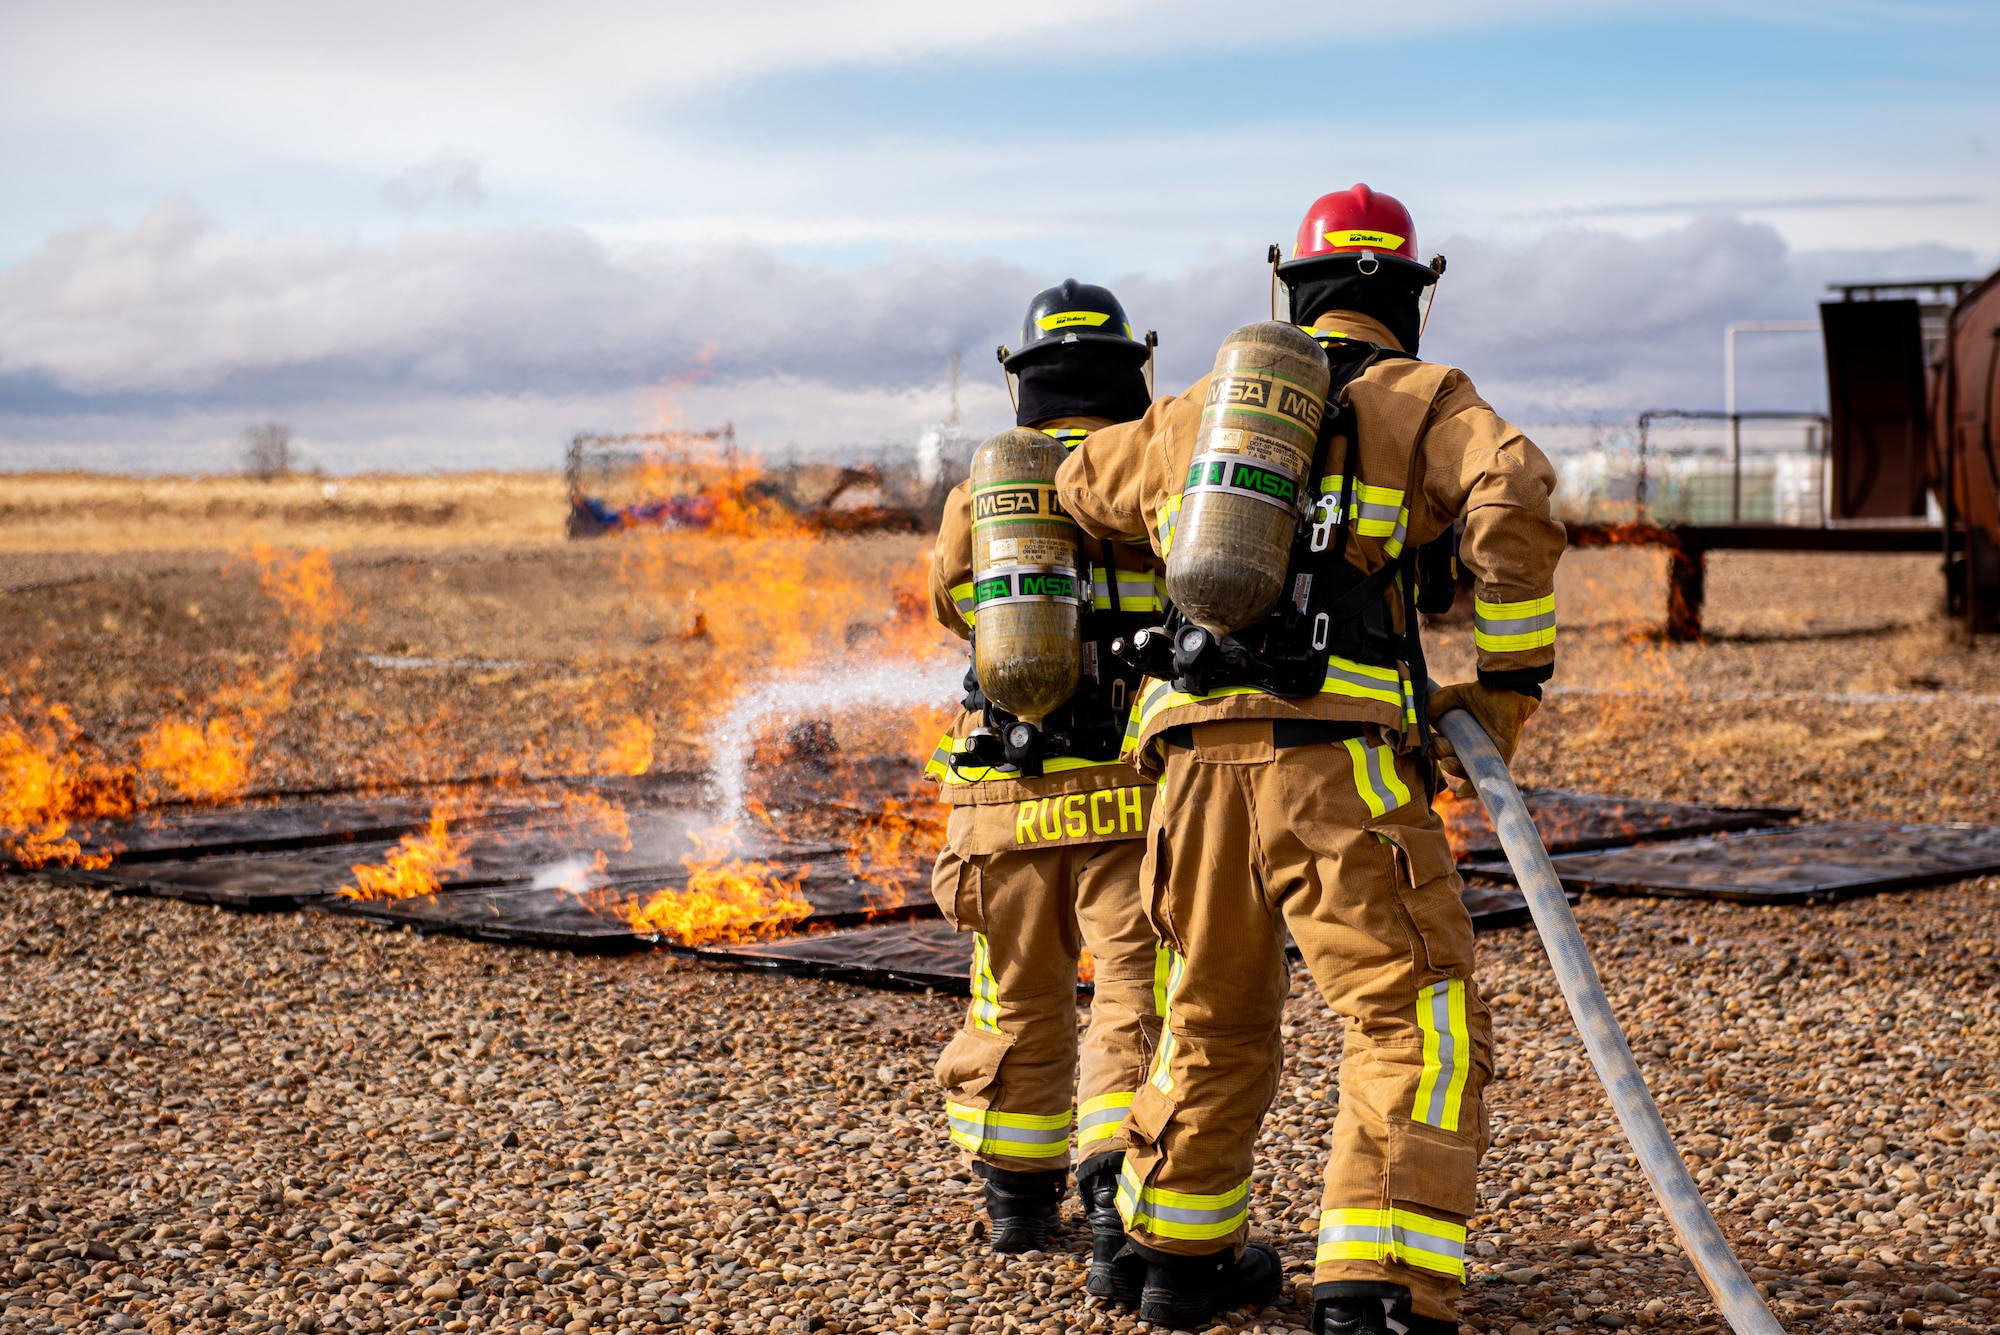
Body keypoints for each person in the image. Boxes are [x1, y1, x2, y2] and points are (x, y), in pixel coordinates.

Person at [1053, 185, 1564, 1334]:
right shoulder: (1424, 397)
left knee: (1206, 1014)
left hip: (1187, 765)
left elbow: (1078, 484)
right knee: (1409, 1016)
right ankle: (1375, 1280)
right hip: (1339, 766)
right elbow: (1513, 496)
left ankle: (1176, 1259)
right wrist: (1503, 687)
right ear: (1411, 294)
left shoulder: (1199, 413)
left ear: (1290, 285)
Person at [923, 280, 1168, 1297]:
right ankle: (1117, 1192)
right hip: (1131, 787)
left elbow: (949, 603)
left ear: (1019, 380)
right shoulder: (1158, 470)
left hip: (1002, 787)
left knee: (1011, 986)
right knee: (1131, 988)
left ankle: (1014, 1201)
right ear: (1130, 369)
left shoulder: (983, 493)